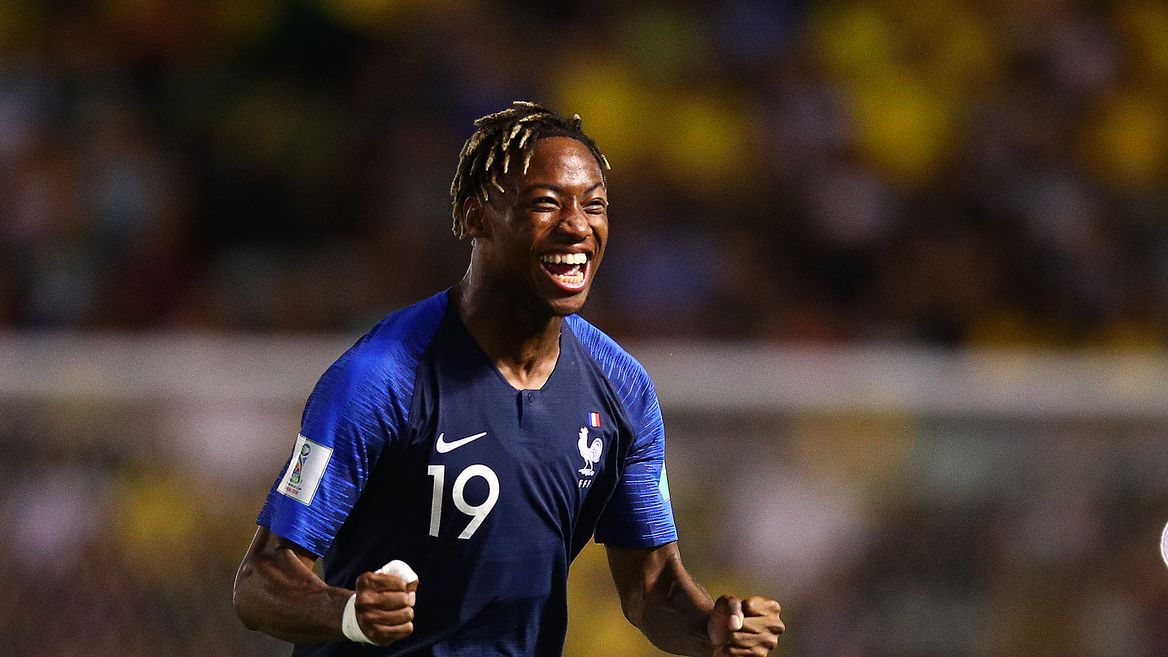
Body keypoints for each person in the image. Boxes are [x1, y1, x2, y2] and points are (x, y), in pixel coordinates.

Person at [232, 101, 784, 657]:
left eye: (594, 205)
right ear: (477, 218)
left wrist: (712, 629)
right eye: (545, 203)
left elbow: (652, 588)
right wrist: (349, 612)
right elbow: (261, 579)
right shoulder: (381, 379)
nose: (577, 225)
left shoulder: (622, 389)